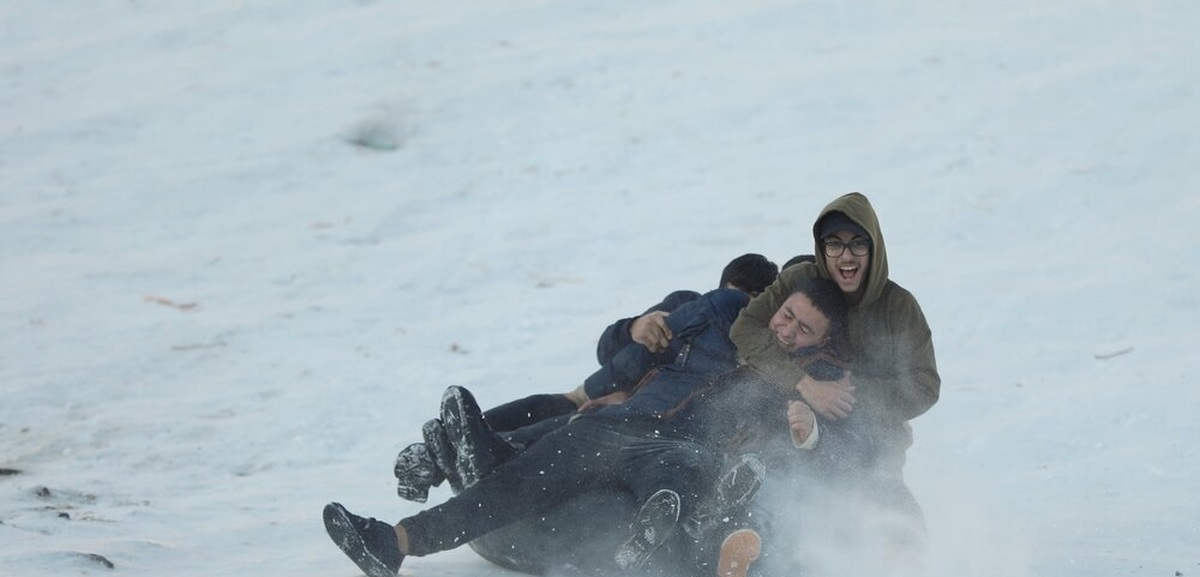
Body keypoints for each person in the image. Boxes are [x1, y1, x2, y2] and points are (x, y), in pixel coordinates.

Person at [322, 278, 851, 577]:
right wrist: (633, 333)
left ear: (819, 342)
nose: (787, 330)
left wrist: (807, 427)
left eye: (803, 330)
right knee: (515, 485)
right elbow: (643, 337)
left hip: (684, 449)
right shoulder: (724, 314)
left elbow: (817, 446)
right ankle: (396, 540)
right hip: (616, 423)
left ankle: (641, 552)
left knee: (677, 486)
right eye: (786, 316)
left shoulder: (809, 380)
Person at [394, 253, 779, 501]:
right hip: (593, 394)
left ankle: (465, 458)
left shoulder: (744, 356)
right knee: (543, 406)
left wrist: (631, 400)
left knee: (566, 427)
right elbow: (606, 350)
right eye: (730, 298)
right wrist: (633, 328)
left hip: (633, 422)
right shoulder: (684, 305)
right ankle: (435, 454)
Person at [727, 192, 940, 571]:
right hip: (791, 411)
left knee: (877, 479)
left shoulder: (898, 307)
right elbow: (747, 328)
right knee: (779, 472)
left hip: (873, 429)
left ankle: (906, 556)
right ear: (821, 249)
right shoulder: (802, 281)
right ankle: (754, 549)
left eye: (858, 244)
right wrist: (805, 384)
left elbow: (926, 386)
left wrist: (855, 394)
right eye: (835, 244)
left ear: (874, 248)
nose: (846, 255)